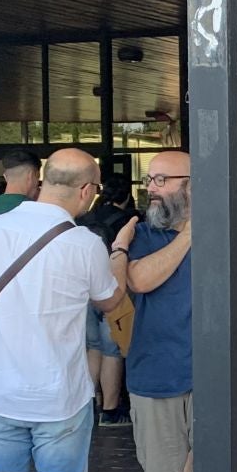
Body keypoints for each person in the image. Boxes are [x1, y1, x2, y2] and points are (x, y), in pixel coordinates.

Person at [0, 149, 120, 472]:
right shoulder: (85, 243)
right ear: (87, 190)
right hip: (59, 393)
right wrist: (121, 251)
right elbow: (109, 301)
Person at [113, 152, 196, 472]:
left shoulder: (228, 234)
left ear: (192, 187)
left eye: (161, 179)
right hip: (156, 373)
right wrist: (190, 236)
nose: (151, 187)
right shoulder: (142, 234)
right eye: (149, 179)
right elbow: (139, 280)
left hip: (213, 375)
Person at [80, 172, 134, 427]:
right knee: (112, 349)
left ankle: (90, 403)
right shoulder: (126, 222)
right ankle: (110, 411)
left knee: (93, 347)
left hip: (84, 290)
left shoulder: (86, 218)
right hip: (112, 289)